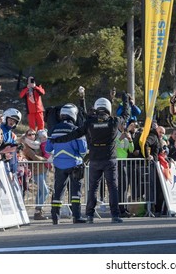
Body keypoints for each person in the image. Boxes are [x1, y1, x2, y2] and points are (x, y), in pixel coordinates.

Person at [50, 94, 130, 224]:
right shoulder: (114, 121)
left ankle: (89, 215)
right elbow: (126, 115)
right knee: (113, 187)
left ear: (97, 108)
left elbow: (74, 133)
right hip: (110, 159)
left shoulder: (90, 122)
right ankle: (115, 215)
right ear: (108, 109)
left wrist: (57, 140)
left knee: (93, 188)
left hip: (94, 160)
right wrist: (126, 101)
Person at [46, 103, 88, 225]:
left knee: (58, 191)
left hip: (59, 165)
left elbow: (48, 149)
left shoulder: (53, 130)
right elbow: (83, 150)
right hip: (75, 163)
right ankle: (77, 216)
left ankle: (55, 217)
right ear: (73, 115)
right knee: (76, 192)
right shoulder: (76, 130)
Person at [20, 128, 49, 220]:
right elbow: (35, 157)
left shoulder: (38, 143)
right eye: (29, 134)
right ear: (26, 136)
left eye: (33, 134)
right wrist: (46, 160)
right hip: (35, 171)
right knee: (45, 191)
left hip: (43, 169)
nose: (32, 136)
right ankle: (38, 209)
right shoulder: (26, 146)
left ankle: (38, 213)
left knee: (41, 191)